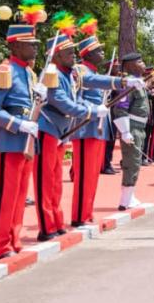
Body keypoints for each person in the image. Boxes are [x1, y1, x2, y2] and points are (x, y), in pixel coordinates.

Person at [36, 20, 109, 241]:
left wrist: (122, 82)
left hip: (61, 131)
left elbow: (88, 87)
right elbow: (61, 101)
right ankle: (46, 225)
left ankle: (56, 220)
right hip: (47, 128)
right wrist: (91, 112)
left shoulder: (70, 74)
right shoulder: (52, 74)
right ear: (56, 56)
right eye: (68, 52)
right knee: (45, 180)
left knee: (56, 180)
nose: (73, 56)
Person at [0, 16, 45, 259]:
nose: (35, 48)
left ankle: (14, 238)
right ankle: (0, 245)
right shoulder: (5, 70)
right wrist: (19, 125)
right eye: (30, 44)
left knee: (20, 195)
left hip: (27, 142)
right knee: (6, 195)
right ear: (16, 46)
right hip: (10, 141)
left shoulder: (29, 74)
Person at [71, 18, 142, 227]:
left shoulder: (93, 72)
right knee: (84, 175)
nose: (103, 54)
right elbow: (88, 86)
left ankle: (86, 213)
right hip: (85, 127)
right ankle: (78, 216)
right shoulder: (81, 70)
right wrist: (120, 81)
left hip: (98, 128)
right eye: (99, 51)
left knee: (92, 175)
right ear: (88, 54)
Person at [113, 52, 151, 209]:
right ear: (129, 66)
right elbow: (120, 107)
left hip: (139, 127)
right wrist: (125, 131)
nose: (143, 64)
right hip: (132, 127)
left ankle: (130, 195)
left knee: (135, 163)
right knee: (132, 162)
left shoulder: (137, 82)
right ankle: (125, 200)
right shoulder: (128, 83)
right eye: (139, 62)